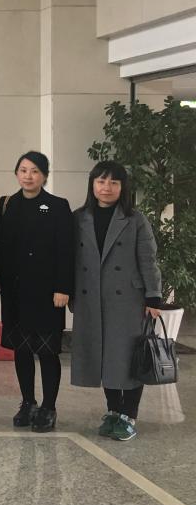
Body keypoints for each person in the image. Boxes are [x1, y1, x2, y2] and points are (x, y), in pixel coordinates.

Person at [71, 161, 162, 441]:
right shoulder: (79, 217)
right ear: (92, 184)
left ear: (123, 187)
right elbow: (70, 259)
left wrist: (154, 296)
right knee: (103, 356)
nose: (106, 188)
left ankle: (128, 415)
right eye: (101, 181)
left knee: (128, 356)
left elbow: (148, 259)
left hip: (128, 299)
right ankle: (113, 410)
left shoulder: (135, 219)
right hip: (90, 297)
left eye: (113, 182)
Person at [0, 151, 73, 433]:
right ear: (16, 173)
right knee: (22, 349)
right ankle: (28, 402)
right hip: (15, 291)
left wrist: (63, 287)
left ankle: (49, 407)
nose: (28, 176)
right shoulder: (6, 204)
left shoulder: (58, 206)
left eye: (35, 171)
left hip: (47, 292)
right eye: (23, 170)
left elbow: (66, 251)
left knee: (48, 351)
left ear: (44, 176)